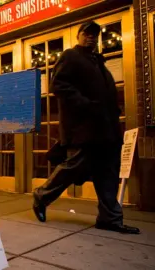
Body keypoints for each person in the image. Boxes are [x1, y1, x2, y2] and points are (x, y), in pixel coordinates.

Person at [32, 21, 140, 234]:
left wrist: (113, 111)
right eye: (87, 33)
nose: (91, 37)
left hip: (107, 128)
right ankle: (41, 195)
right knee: (74, 165)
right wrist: (84, 103)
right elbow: (58, 85)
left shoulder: (98, 62)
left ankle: (110, 218)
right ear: (79, 36)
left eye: (95, 35)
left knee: (108, 173)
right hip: (85, 127)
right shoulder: (71, 56)